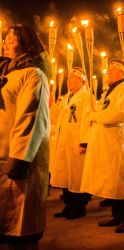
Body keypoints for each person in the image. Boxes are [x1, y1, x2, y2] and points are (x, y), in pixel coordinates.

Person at [0, 25, 50, 250]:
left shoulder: (33, 74)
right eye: (5, 38)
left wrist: (18, 160)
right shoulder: (6, 74)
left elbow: (31, 118)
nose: (6, 42)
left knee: (18, 224)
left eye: (12, 38)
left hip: (18, 161)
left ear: (26, 43)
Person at [80, 59, 124, 233]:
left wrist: (96, 116)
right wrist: (95, 114)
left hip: (117, 139)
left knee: (121, 180)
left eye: (112, 70)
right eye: (108, 70)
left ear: (122, 73)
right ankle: (116, 215)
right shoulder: (108, 91)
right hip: (106, 140)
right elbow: (100, 111)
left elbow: (120, 115)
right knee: (112, 180)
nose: (108, 73)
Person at [50, 67, 91, 219]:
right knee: (65, 174)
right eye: (68, 78)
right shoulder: (66, 97)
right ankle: (68, 205)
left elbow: (88, 120)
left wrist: (84, 142)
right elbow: (57, 119)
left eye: (74, 78)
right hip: (64, 141)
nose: (69, 80)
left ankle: (79, 207)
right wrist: (51, 105)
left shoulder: (87, 97)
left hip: (76, 142)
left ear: (82, 81)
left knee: (76, 175)